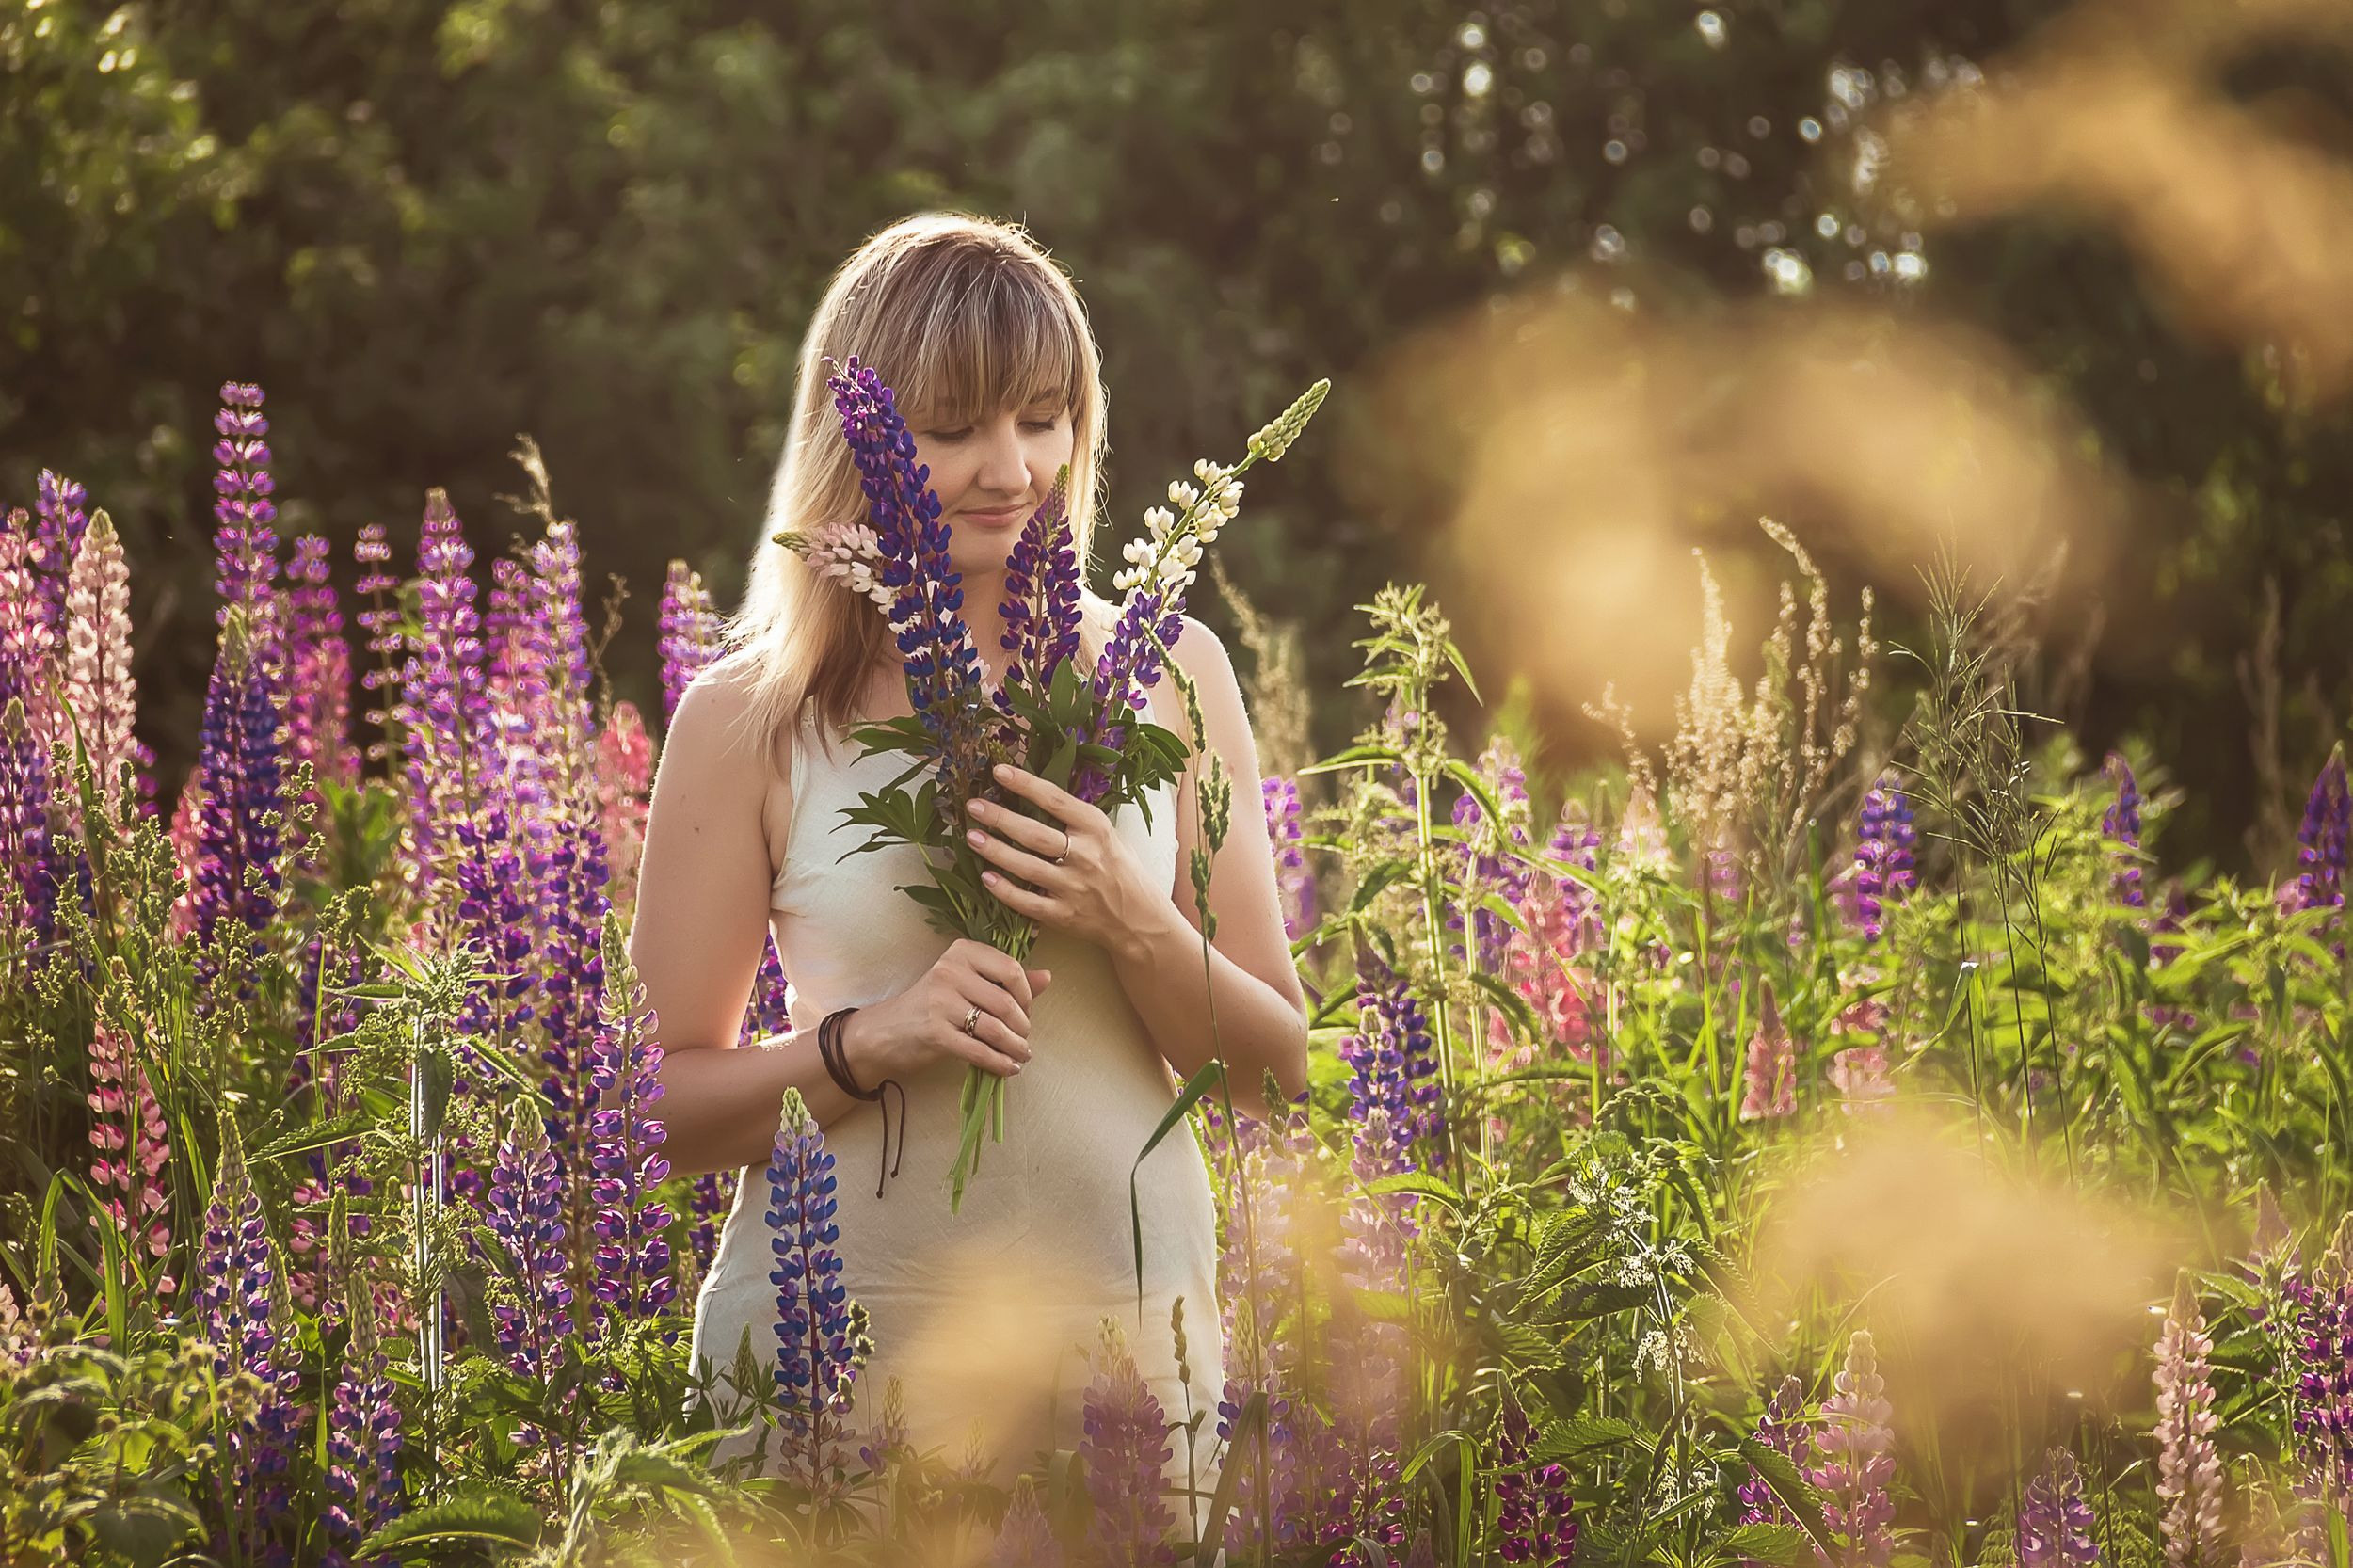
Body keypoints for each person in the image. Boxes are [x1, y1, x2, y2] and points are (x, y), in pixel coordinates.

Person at [631, 211, 1311, 1507]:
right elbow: (649, 1115)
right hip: (839, 1349)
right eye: (952, 429)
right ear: (865, 448)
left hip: (1126, 1343)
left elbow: (1278, 1074)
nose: (1012, 467)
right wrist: (867, 1041)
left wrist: (1132, 917)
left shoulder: (1173, 674)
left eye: (1044, 418)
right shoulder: (750, 715)